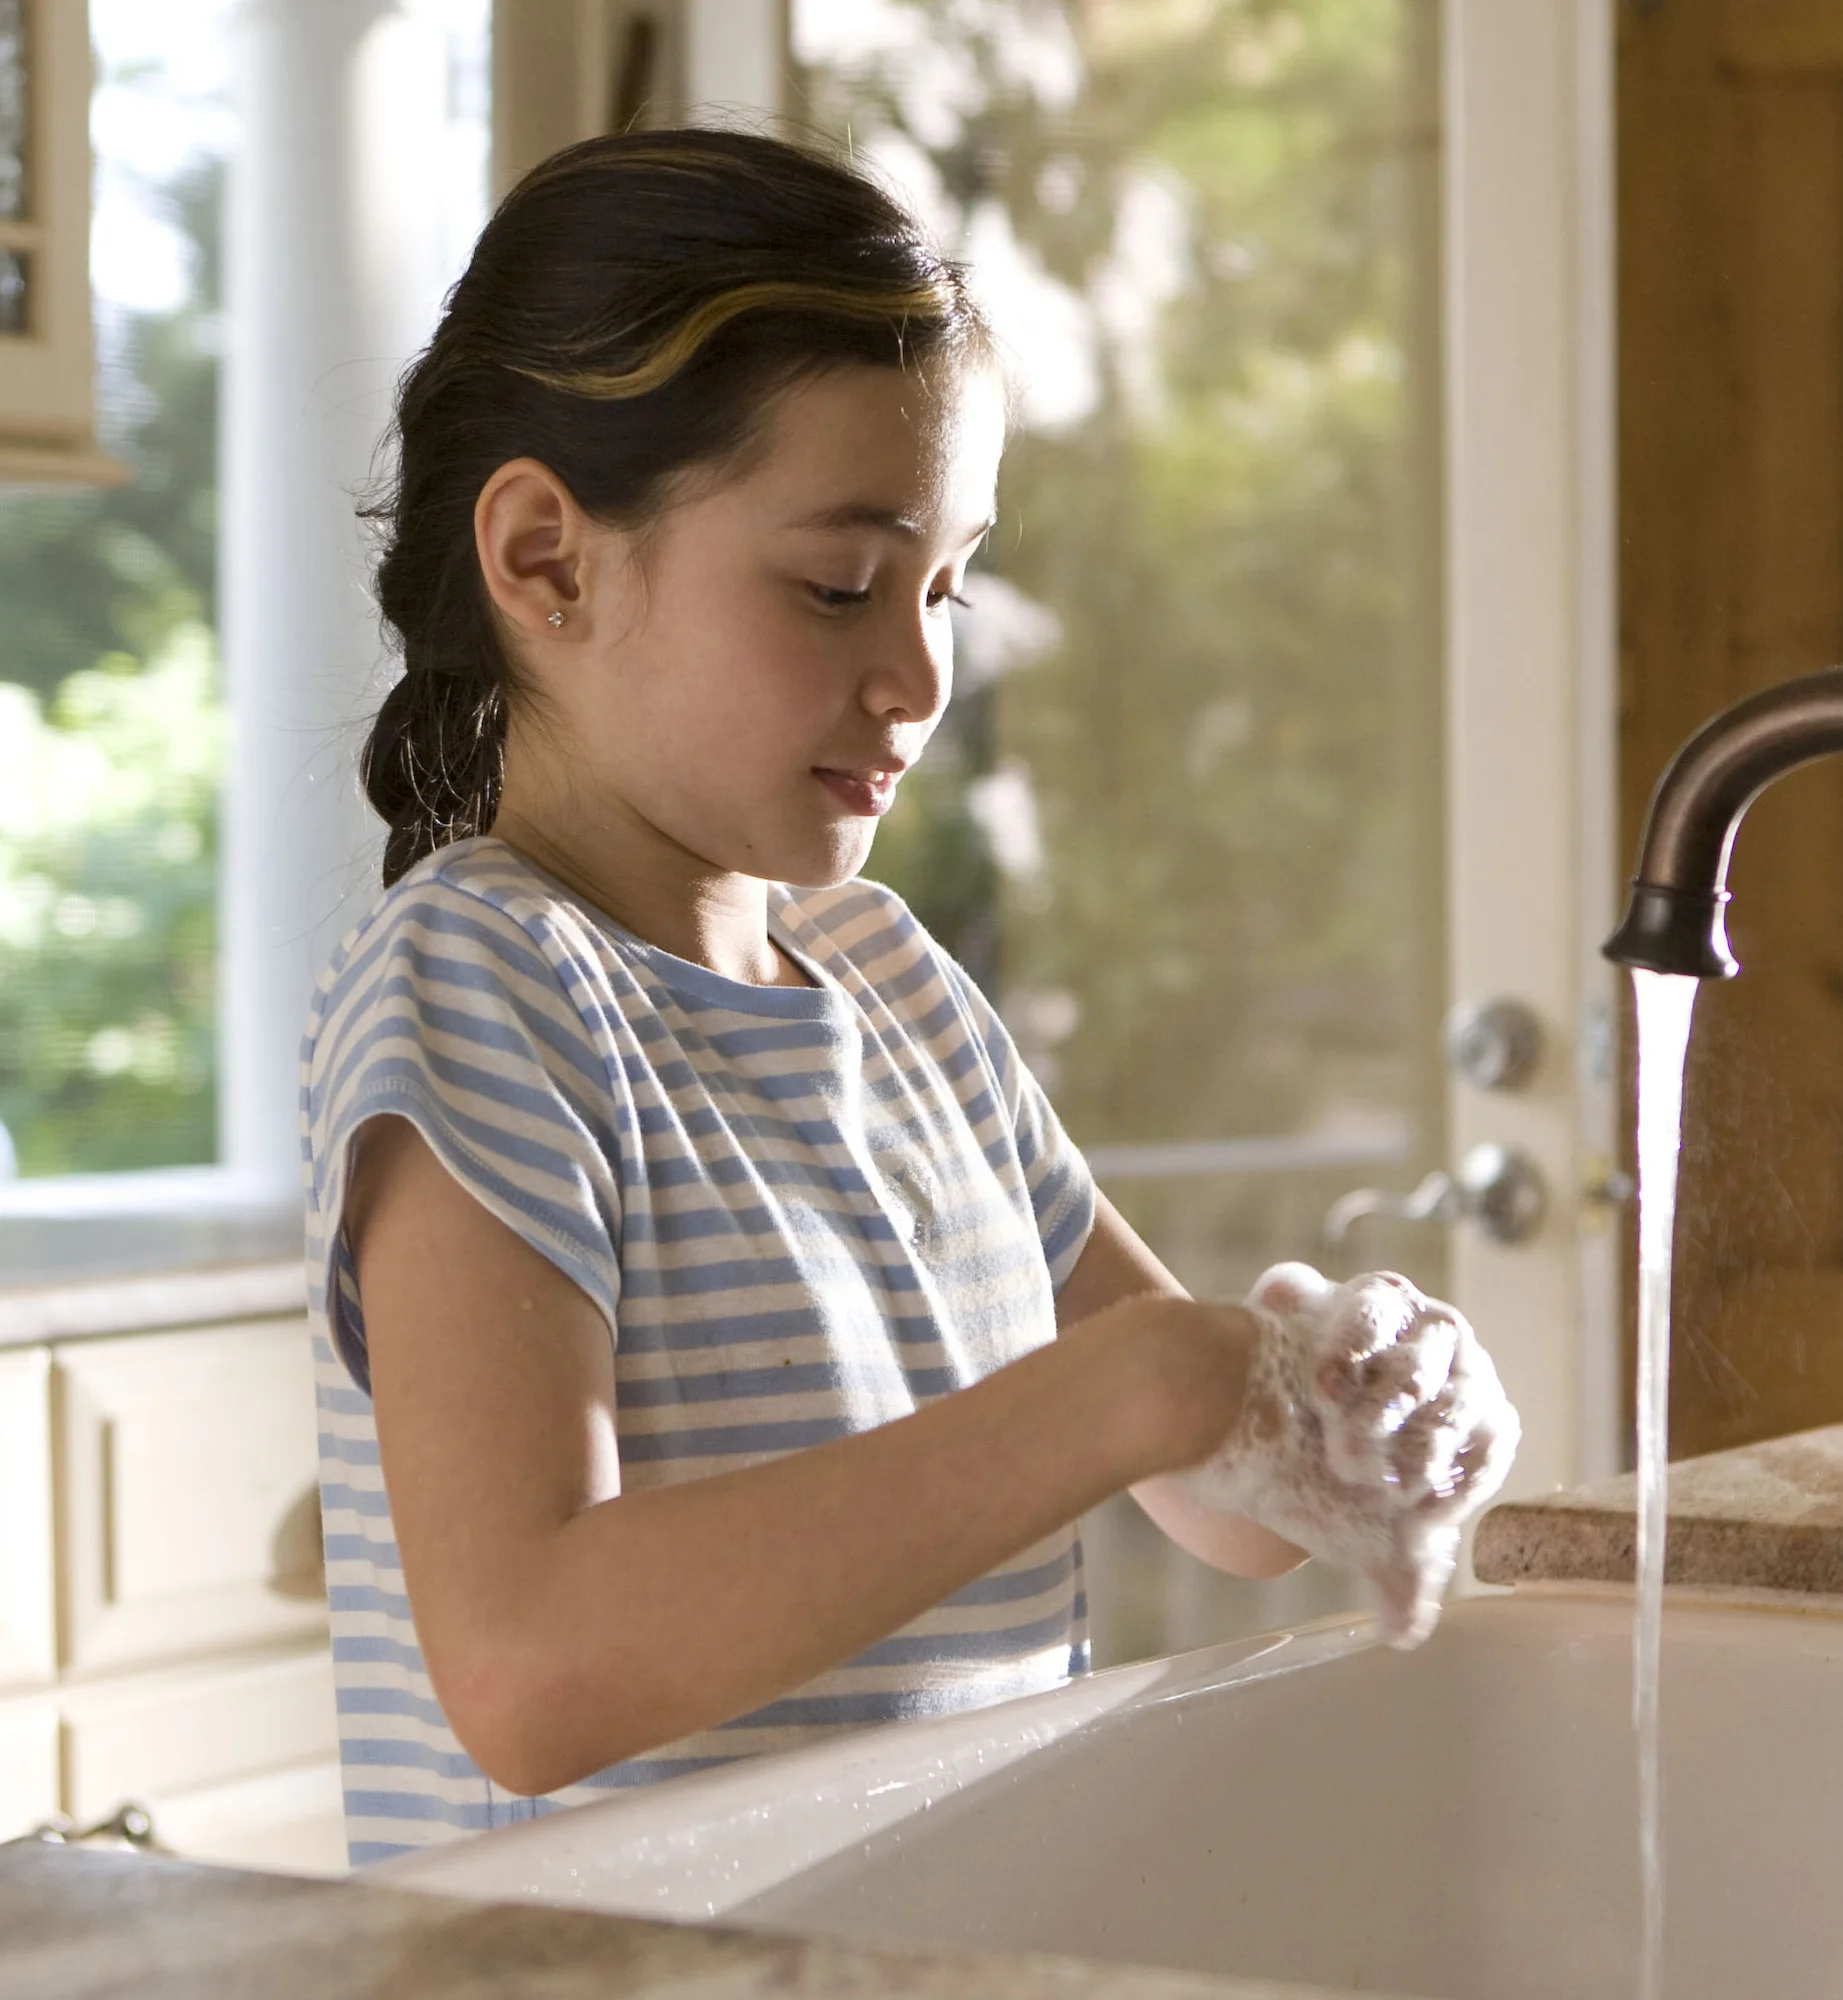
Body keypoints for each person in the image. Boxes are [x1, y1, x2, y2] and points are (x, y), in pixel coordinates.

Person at [305, 127, 1511, 1869]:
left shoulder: (892, 986)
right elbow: (529, 1665)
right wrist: (1135, 1392)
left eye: (950, 582)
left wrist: (1335, 1396)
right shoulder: (485, 987)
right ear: (549, 560)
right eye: (839, 584)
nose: (920, 671)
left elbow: (1216, 1503)